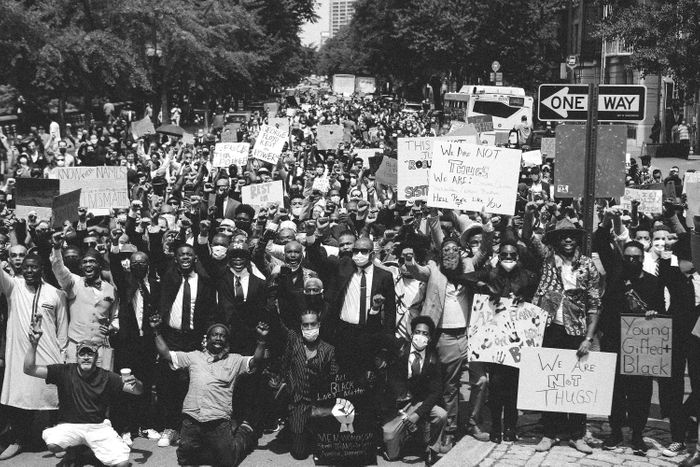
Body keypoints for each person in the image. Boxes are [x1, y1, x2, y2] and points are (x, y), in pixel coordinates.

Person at [150, 316, 267, 466]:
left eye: (223, 336)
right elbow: (166, 354)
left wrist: (262, 340)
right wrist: (156, 331)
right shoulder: (193, 357)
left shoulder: (235, 360)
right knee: (185, 460)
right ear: (208, 338)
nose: (219, 338)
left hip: (218, 421)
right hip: (192, 418)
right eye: (215, 334)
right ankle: (207, 447)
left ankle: (245, 431)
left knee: (227, 461)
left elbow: (256, 360)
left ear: (227, 340)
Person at [529, 217, 601, 454]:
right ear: (556, 241)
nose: (568, 240)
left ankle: (577, 435)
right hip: (550, 328)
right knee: (550, 382)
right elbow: (530, 239)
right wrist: (529, 215)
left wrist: (588, 338)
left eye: (571, 236)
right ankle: (549, 433)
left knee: (576, 383)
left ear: (577, 239)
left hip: (577, 330)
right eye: (563, 236)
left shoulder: (588, 265)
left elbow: (594, 304)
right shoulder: (548, 260)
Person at [24, 324, 143, 467]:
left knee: (122, 464)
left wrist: (136, 382)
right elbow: (29, 369)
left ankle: (88, 452)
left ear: (96, 357)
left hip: (98, 427)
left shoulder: (106, 376)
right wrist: (33, 344)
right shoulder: (64, 372)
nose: (86, 357)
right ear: (77, 357)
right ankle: (74, 451)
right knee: (53, 444)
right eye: (82, 354)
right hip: (70, 425)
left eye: (90, 354)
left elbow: (137, 391)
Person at [465, 239, 538, 443]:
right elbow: (464, 277)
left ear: (518, 257)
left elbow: (537, 291)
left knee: (514, 387)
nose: (508, 259)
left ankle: (511, 428)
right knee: (496, 387)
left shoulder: (527, 277)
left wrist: (525, 299)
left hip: (518, 337)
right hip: (496, 339)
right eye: (504, 255)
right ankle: (496, 427)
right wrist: (485, 286)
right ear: (499, 257)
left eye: (512, 255)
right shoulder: (492, 274)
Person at [0, 252, 68, 460]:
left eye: (34, 267)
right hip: (21, 355)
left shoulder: (56, 294)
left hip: (49, 353)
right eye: (26, 267)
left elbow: (62, 328)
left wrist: (64, 354)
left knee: (53, 398)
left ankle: (57, 440)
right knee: (21, 398)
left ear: (41, 269)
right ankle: (18, 440)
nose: (29, 271)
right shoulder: (13, 287)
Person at [156, 243, 218, 448]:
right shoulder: (169, 277)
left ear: (195, 258)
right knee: (169, 384)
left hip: (193, 338)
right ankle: (169, 427)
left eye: (189, 254)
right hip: (171, 336)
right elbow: (156, 252)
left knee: (190, 384)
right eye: (181, 254)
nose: (185, 257)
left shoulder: (204, 282)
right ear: (175, 259)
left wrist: (206, 337)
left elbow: (209, 312)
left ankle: (187, 428)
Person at [383, 316, 445, 465]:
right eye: (418, 332)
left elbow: (436, 392)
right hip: (399, 405)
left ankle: (431, 449)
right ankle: (406, 439)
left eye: (425, 334)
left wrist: (418, 413)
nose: (420, 336)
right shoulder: (399, 351)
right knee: (391, 447)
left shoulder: (433, 359)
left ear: (430, 338)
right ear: (411, 334)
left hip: (420, 403)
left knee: (441, 415)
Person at [50, 235, 118, 370]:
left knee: (102, 385)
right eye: (85, 262)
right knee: (75, 386)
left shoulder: (111, 289)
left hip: (101, 347)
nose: (88, 265)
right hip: (76, 346)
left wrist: (112, 328)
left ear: (99, 264)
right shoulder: (74, 283)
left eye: (92, 261)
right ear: (81, 266)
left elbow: (115, 316)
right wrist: (57, 248)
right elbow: (59, 270)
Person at [280, 308, 338, 460]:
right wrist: (290, 387)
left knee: (325, 450)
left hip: (321, 404)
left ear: (319, 324)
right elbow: (284, 367)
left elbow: (335, 380)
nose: (310, 328)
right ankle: (293, 428)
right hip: (298, 402)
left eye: (313, 324)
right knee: (299, 453)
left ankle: (313, 431)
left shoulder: (329, 350)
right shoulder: (294, 345)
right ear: (301, 327)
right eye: (306, 325)